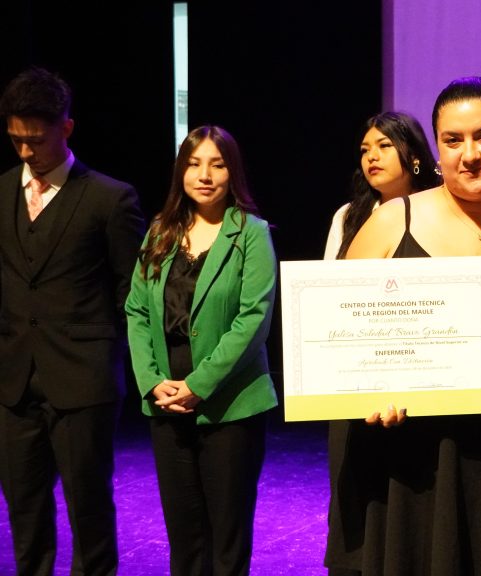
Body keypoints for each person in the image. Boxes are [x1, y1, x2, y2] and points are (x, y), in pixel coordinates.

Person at [324, 76, 481, 575]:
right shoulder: (393, 221)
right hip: (405, 460)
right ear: (437, 149)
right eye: (453, 140)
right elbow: (336, 334)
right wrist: (370, 392)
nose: (469, 154)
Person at [0, 66, 145, 575]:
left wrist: (111, 358)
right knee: (24, 510)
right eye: (16, 139)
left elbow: (132, 290)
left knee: (89, 508)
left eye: (36, 140)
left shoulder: (109, 198)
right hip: (14, 382)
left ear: (66, 128)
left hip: (83, 382)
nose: (25, 151)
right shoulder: (1, 192)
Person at [125, 125, 278, 575]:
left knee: (227, 537)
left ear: (233, 173)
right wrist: (152, 381)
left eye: (217, 164)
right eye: (194, 164)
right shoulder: (160, 231)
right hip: (166, 401)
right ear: (181, 171)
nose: (205, 175)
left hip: (230, 403)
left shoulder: (251, 233)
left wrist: (199, 384)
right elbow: (136, 309)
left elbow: (253, 319)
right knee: (185, 538)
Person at [323, 111, 439, 260]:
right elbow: (330, 273)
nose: (371, 157)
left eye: (384, 145)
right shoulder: (347, 216)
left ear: (414, 156)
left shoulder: (438, 208)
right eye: (364, 150)